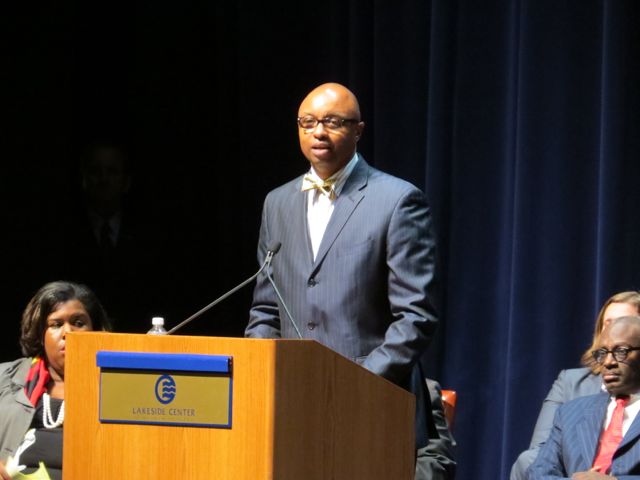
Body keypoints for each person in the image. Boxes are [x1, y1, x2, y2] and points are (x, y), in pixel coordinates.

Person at [245, 82, 453, 478]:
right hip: (292, 404)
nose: (318, 132)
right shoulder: (277, 203)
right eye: (308, 122)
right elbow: (265, 309)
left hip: (370, 402)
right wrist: (265, 374)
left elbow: (416, 316)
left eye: (332, 122)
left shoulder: (397, 200)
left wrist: (355, 382)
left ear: (358, 130)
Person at [511, 291, 640, 479]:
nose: (609, 362)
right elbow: (541, 471)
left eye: (621, 351)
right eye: (602, 353)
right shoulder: (571, 412)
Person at [0, 281, 110, 480]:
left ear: (95, 329)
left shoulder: (117, 384)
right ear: (40, 334)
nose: (68, 333)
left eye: (78, 323)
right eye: (56, 325)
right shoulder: (5, 378)